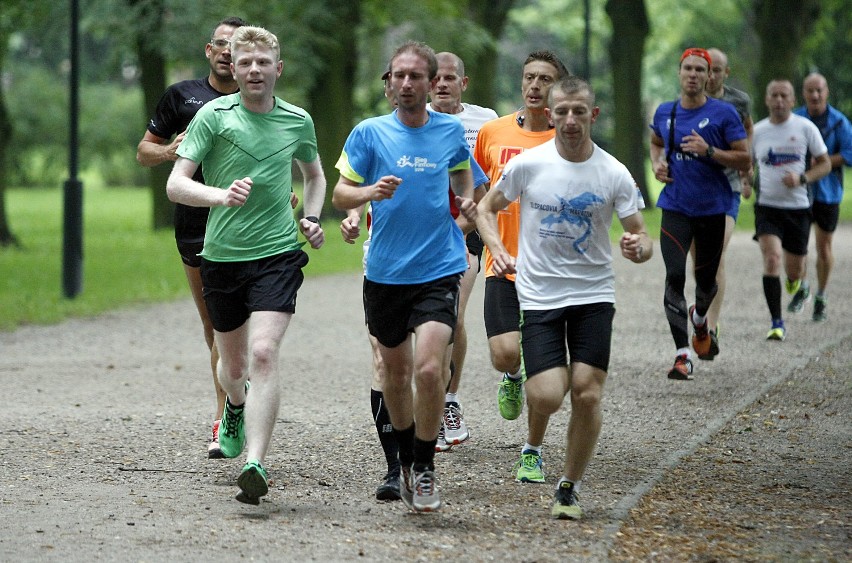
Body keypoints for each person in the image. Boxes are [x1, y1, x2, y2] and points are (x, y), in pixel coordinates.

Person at [477, 76, 653, 519]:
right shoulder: (528, 165)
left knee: (587, 394)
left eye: (579, 112)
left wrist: (638, 248)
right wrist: (496, 248)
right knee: (548, 397)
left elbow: (641, 236)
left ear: (593, 115)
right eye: (562, 112)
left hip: (594, 295)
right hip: (539, 297)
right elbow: (485, 208)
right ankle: (536, 431)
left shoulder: (613, 172)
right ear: (550, 115)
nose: (570, 120)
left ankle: (568, 488)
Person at [166, 26, 326, 504]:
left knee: (263, 355)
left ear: (278, 68)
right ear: (232, 69)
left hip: (277, 253)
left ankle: (255, 462)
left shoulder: (297, 119)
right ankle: (234, 406)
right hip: (222, 257)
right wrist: (220, 195)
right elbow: (176, 184)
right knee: (232, 366)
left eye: (262, 63)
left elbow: (313, 176)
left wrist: (312, 217)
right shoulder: (214, 117)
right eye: (245, 63)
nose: (254, 70)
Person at [332, 41, 477, 513]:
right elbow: (340, 194)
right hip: (386, 273)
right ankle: (405, 460)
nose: (408, 84)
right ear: (389, 82)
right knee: (394, 375)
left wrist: (469, 207)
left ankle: (425, 465)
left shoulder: (450, 131)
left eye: (417, 76)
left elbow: (463, 180)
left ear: (432, 82)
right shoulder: (369, 134)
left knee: (431, 368)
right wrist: (370, 192)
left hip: (439, 267)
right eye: (399, 76)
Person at [136, 16, 246, 459]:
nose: (226, 52)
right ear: (208, 49)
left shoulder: (258, 98)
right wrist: (171, 149)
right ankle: (226, 412)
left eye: (234, 46)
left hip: (246, 221)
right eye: (219, 44)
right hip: (195, 223)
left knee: (247, 324)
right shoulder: (182, 97)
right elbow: (144, 152)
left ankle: (236, 396)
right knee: (214, 325)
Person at [473, 50, 568, 483]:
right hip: (502, 263)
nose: (534, 86)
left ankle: (532, 451)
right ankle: (511, 375)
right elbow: (478, 192)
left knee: (545, 369)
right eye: (529, 77)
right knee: (506, 353)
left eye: (544, 79)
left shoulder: (567, 140)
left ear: (558, 89)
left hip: (550, 274)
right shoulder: (492, 133)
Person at [649, 47, 750, 380]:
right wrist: (657, 164)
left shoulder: (724, 114)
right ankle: (682, 355)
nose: (692, 75)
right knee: (675, 275)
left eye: (699, 70)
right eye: (687, 69)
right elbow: (655, 141)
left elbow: (744, 158)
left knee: (706, 282)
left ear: (710, 77)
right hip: (675, 206)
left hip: (712, 208)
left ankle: (701, 318)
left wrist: (709, 151)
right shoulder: (666, 112)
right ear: (679, 74)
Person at [428, 51, 498, 452]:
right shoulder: (415, 119)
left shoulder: (484, 120)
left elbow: (490, 178)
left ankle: (447, 400)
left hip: (466, 229)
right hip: (424, 228)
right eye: (435, 77)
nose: (441, 84)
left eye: (449, 78)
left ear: (463, 83)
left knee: (452, 315)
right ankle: (434, 401)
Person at [752, 79, 830, 341]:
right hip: (767, 207)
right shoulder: (758, 131)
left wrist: (803, 178)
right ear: (766, 99)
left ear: (793, 100)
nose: (779, 101)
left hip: (797, 208)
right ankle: (776, 322)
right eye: (774, 95)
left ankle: (796, 282)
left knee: (794, 270)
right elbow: (747, 164)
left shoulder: (805, 128)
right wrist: (744, 181)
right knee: (772, 259)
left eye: (784, 95)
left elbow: (825, 164)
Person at [690, 47, 755, 359]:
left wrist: (746, 171)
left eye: (716, 70)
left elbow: (748, 132)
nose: (710, 75)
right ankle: (703, 313)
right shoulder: (688, 100)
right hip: (695, 186)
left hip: (726, 184)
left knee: (716, 254)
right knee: (700, 259)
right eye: (706, 69)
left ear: (724, 73)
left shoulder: (738, 101)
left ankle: (710, 328)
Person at [793, 73, 852, 321]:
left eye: (819, 90)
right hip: (799, 193)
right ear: (803, 93)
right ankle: (803, 286)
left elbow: (850, 153)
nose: (815, 95)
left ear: (826, 92)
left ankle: (821, 295)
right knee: (796, 247)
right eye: (810, 91)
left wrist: (824, 160)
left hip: (828, 192)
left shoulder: (839, 122)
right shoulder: (794, 118)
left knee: (823, 247)